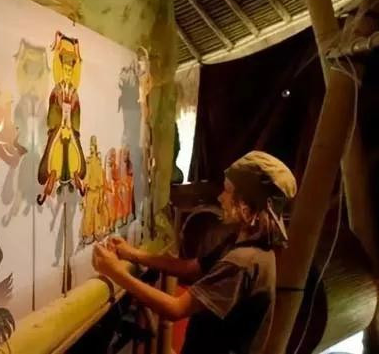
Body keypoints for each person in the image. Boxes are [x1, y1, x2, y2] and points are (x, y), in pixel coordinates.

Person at [92, 151, 297, 354]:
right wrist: (133, 254)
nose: (220, 197)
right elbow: (192, 268)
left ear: (245, 204)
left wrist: (115, 272)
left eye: (228, 191)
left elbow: (176, 308)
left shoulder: (243, 262)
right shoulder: (243, 241)